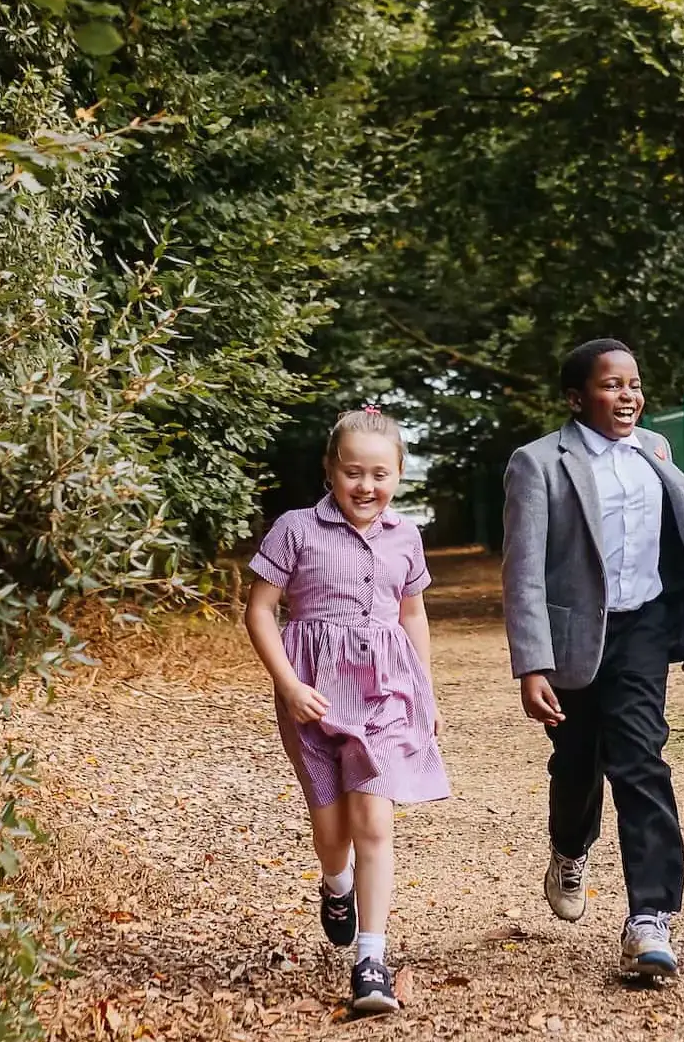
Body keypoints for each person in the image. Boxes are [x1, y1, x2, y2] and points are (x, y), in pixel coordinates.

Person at [501, 338, 684, 980]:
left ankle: (649, 917)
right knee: (576, 763)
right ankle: (570, 847)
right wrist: (532, 664)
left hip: (644, 630)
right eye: (611, 385)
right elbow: (524, 574)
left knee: (640, 762)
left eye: (633, 383)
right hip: (573, 637)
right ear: (577, 398)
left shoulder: (655, 450)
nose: (628, 395)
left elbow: (683, 548)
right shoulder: (537, 463)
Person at [242, 406, 448, 1014]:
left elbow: (412, 613)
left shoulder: (406, 536)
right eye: (354, 472)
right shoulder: (295, 529)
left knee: (374, 823)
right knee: (332, 834)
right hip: (313, 693)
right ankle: (337, 885)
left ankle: (371, 959)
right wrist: (287, 685)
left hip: (386, 691)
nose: (367, 486)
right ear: (331, 470)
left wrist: (428, 692)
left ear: (400, 473)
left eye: (380, 474)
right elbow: (259, 610)